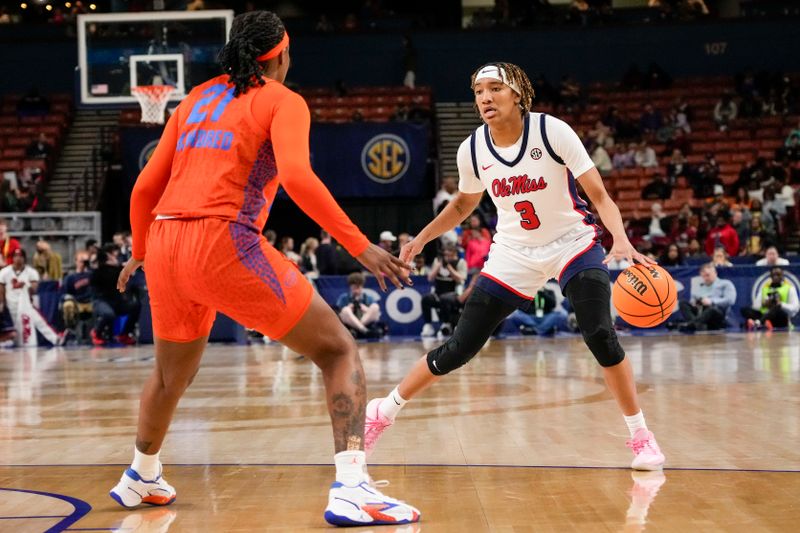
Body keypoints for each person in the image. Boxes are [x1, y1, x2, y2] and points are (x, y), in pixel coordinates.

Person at [108, 11, 419, 527]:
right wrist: (360, 245)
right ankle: (352, 487)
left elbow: (143, 188)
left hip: (164, 244)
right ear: (281, 56)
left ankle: (141, 473)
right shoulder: (284, 100)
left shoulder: (195, 98)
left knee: (168, 376)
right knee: (337, 350)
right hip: (223, 240)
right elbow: (297, 178)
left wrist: (140, 250)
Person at [364, 62, 665, 471]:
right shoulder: (472, 149)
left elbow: (599, 195)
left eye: (494, 89)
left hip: (572, 244)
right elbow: (463, 204)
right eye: (478, 92)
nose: (485, 98)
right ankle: (382, 411)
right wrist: (421, 238)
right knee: (459, 349)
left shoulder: (551, 131)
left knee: (599, 334)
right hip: (514, 252)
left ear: (518, 94)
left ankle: (642, 438)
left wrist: (622, 240)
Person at [0, 248, 63, 347]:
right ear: (12, 258)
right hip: (10, 305)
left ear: (24, 258)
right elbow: (1, 289)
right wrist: (2, 303)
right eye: (16, 256)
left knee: (39, 321)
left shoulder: (31, 272)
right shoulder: (4, 272)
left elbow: (34, 290)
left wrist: (26, 286)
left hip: (25, 305)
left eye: (20, 256)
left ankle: (55, 339)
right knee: (13, 331)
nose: (18, 259)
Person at [90, 244, 141, 346]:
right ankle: (96, 332)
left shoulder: (117, 269)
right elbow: (101, 277)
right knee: (109, 314)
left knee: (136, 306)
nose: (115, 256)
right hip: (101, 301)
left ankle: (124, 334)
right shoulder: (98, 271)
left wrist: (119, 266)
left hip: (117, 302)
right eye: (113, 254)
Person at [419, 244, 467, 338]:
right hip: (438, 293)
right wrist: (438, 266)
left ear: (455, 254)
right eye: (445, 255)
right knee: (426, 299)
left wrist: (450, 268)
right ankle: (428, 325)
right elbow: (430, 278)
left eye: (449, 255)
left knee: (445, 299)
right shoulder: (437, 261)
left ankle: (446, 323)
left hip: (454, 294)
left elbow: (461, 279)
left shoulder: (461, 262)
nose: (447, 258)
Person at [677, 263, 737, 332]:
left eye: (708, 275)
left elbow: (731, 300)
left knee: (712, 309)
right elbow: (693, 301)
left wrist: (711, 301)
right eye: (703, 276)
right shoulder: (699, 287)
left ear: (715, 273)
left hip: (717, 313)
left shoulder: (726, 284)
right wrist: (695, 303)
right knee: (682, 303)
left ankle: (692, 324)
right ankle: (696, 324)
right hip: (701, 312)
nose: (706, 278)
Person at [335, 272, 384, 339]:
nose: (356, 290)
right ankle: (364, 330)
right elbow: (338, 314)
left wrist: (365, 309)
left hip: (365, 320)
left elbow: (376, 315)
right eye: (354, 288)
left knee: (375, 306)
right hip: (350, 322)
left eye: (358, 287)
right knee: (345, 310)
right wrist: (349, 309)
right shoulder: (344, 298)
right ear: (350, 287)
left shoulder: (368, 298)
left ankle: (359, 328)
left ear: (362, 287)